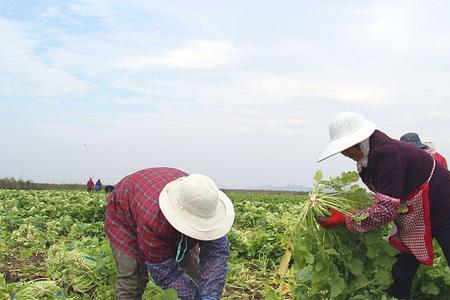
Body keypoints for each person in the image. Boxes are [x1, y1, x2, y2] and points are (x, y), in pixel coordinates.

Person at [317, 112, 450, 300]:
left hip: (444, 208)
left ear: (358, 141)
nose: (344, 154)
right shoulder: (367, 158)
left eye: (346, 149)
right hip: (415, 214)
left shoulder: (386, 154)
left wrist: (346, 219)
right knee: (400, 273)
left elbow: (385, 210)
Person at [104, 167, 235, 300]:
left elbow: (216, 254)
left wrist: (210, 295)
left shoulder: (203, 200)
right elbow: (164, 272)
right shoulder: (154, 220)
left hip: (155, 195)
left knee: (191, 272)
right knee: (132, 279)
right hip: (124, 213)